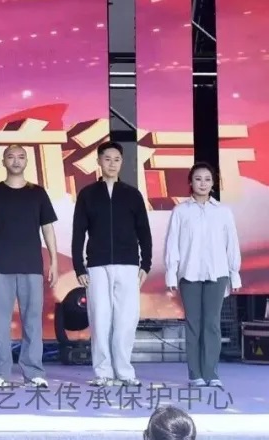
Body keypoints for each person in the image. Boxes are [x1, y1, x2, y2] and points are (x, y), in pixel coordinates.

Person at [0, 145, 58, 389]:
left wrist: (54, 260)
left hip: (32, 264)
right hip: (1, 264)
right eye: (11, 157)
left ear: (27, 162)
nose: (16, 161)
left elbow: (48, 228)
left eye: (21, 157)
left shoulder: (37, 193)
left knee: (32, 320)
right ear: (3, 161)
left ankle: (33, 371)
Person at [71, 141, 152, 387]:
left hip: (128, 265)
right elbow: (78, 232)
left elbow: (144, 231)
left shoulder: (132, 194)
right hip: (97, 265)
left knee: (126, 319)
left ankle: (125, 371)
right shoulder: (87, 194)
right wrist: (79, 266)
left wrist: (145, 264)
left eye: (117, 159)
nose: (112, 164)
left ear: (122, 162)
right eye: (107, 159)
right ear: (98, 161)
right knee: (100, 318)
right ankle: (103, 372)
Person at [164, 162, 242, 389]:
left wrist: (234, 274)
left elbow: (232, 244)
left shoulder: (223, 212)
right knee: (193, 324)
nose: (203, 183)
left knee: (212, 323)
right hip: (189, 273)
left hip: (217, 272)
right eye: (198, 179)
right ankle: (195, 373)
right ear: (191, 182)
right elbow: (172, 244)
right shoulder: (181, 211)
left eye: (207, 179)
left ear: (213, 183)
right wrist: (171, 274)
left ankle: (211, 372)